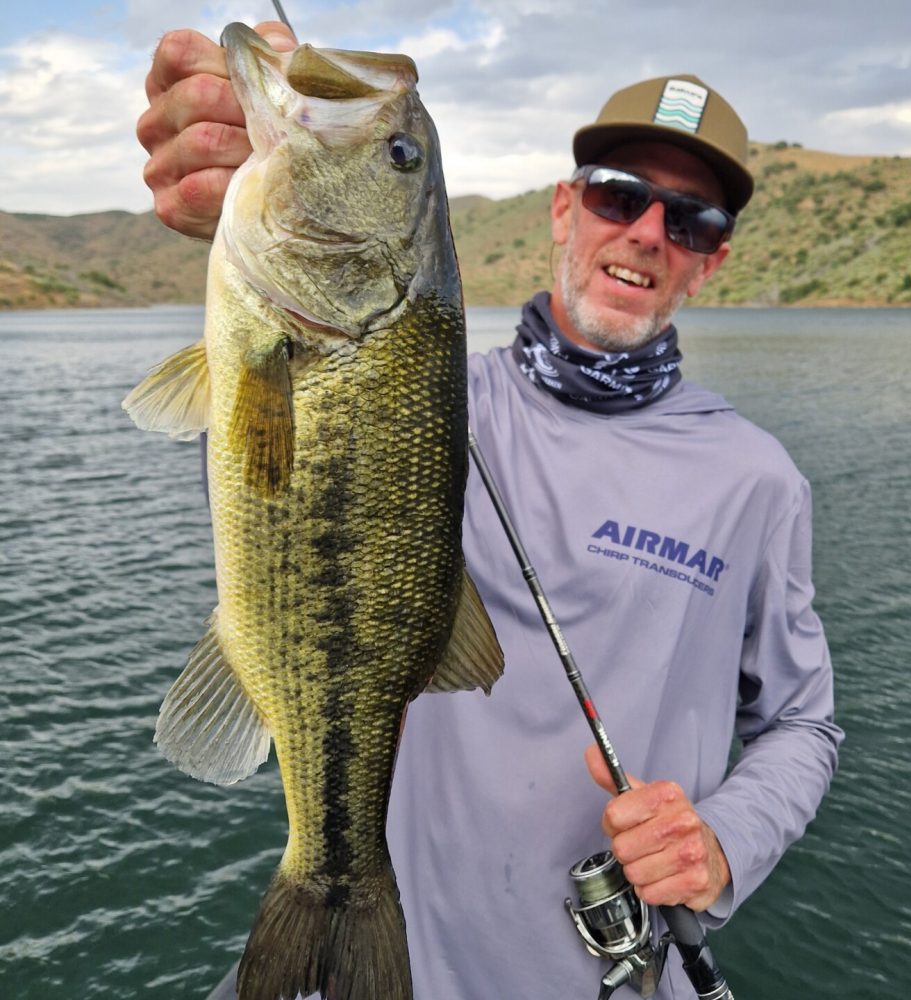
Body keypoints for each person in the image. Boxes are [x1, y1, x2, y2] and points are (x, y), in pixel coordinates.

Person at [139, 21, 843, 1000]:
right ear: (564, 210)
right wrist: (250, 170)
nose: (645, 232)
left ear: (711, 262)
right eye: (617, 196)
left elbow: (804, 722)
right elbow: (274, 457)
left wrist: (725, 838)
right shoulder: (432, 403)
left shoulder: (757, 480)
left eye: (691, 221)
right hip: (389, 963)